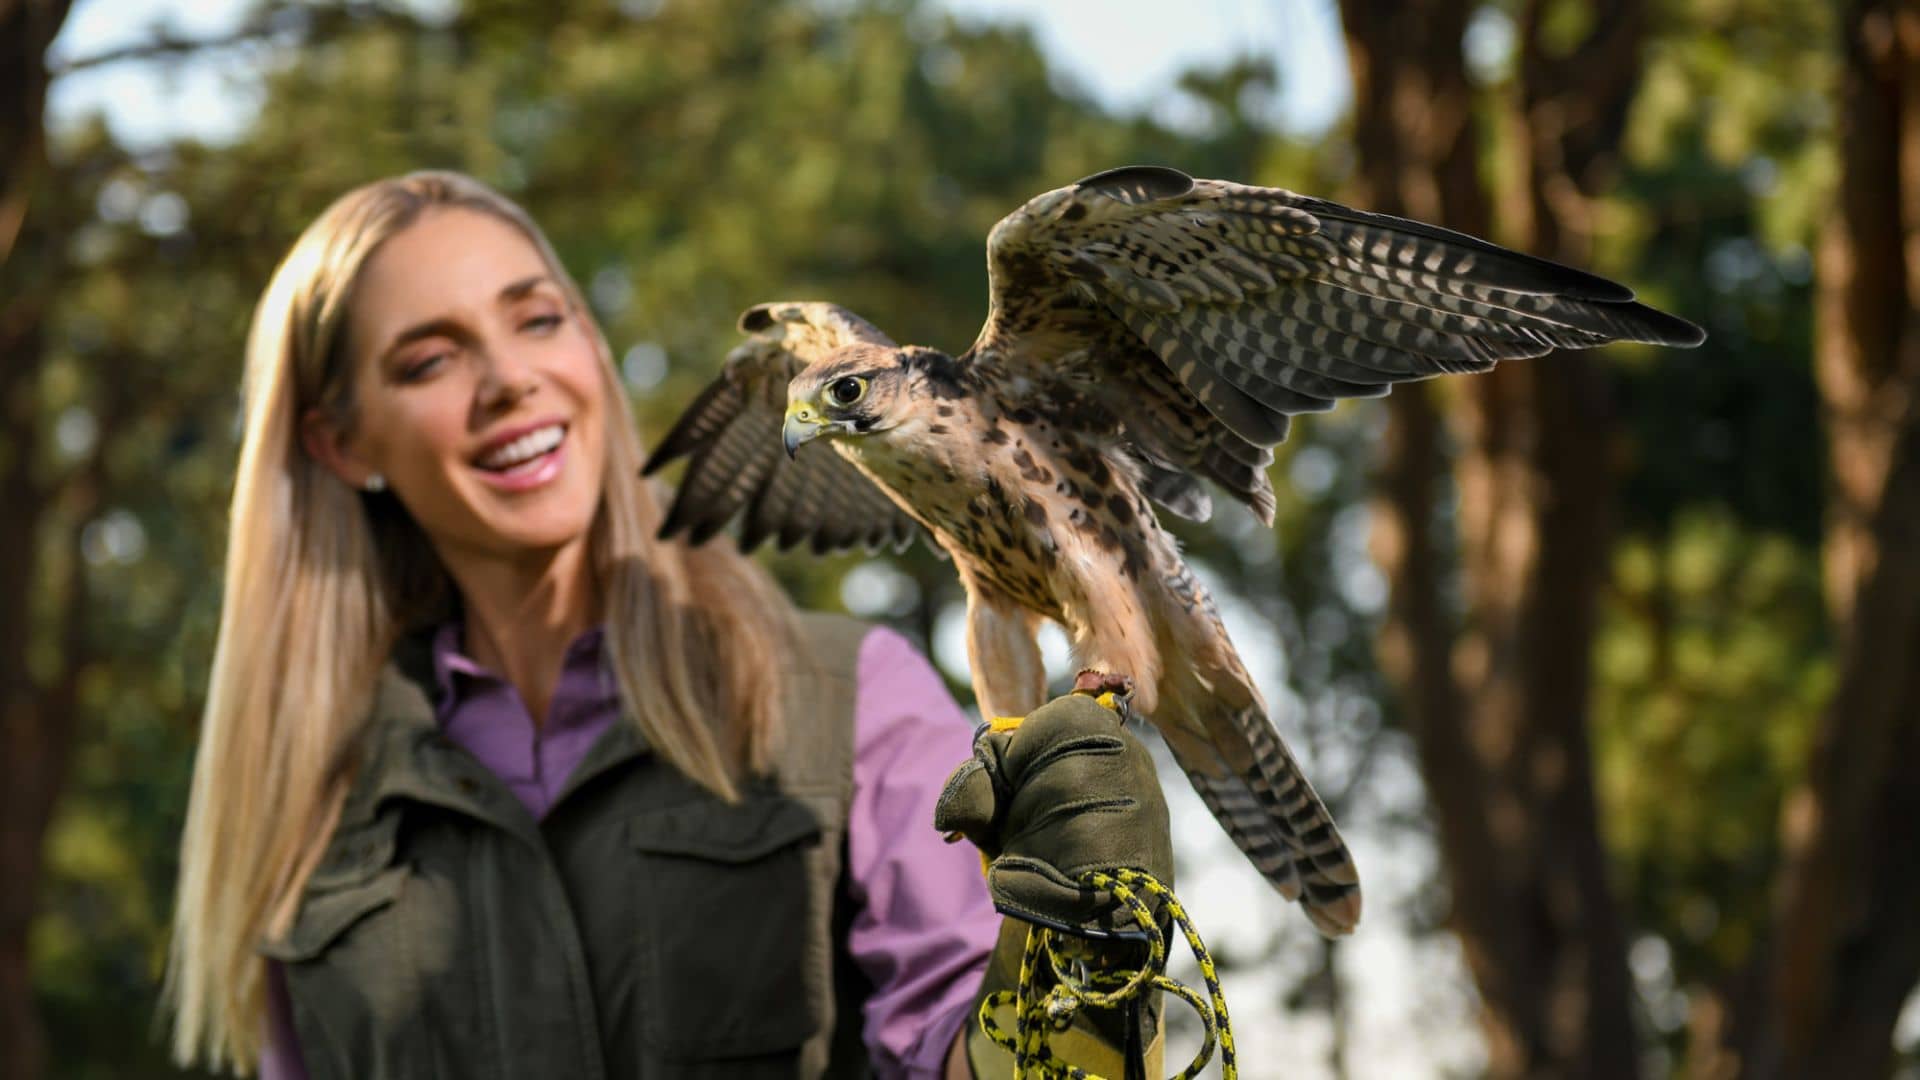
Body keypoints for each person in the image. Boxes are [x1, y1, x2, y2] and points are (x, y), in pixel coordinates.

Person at [162, 171, 1172, 1079]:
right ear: (341, 443)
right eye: (429, 360)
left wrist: (1069, 987)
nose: (510, 379)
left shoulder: (854, 701)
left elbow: (968, 1042)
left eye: (538, 320)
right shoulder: (310, 801)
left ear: (591, 350)